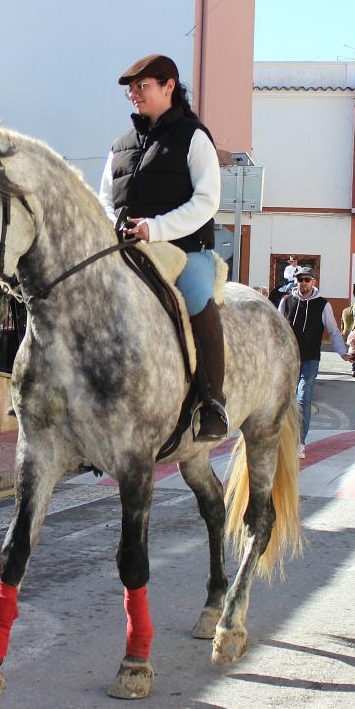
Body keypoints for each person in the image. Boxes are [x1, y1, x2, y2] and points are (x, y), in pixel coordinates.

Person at [98, 53, 228, 441]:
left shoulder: (194, 137)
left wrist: (155, 229)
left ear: (169, 85)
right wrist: (114, 224)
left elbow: (207, 201)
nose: (134, 95)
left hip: (185, 251)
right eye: (131, 90)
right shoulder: (120, 145)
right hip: (129, 251)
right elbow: (104, 198)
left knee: (196, 297)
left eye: (142, 86)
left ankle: (213, 402)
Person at [278, 268, 353, 458]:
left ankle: (299, 442)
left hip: (310, 360)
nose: (303, 283)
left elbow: (333, 331)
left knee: (303, 400)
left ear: (313, 281)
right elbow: (277, 329)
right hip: (288, 360)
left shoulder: (322, 305)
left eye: (307, 279)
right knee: (285, 401)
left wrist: (343, 353)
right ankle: (282, 439)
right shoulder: (286, 301)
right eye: (300, 279)